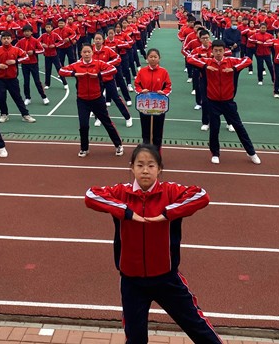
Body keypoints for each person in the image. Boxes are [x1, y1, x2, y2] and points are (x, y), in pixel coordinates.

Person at [84, 144, 221, 344]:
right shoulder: (121, 193)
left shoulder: (171, 191)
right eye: (140, 165)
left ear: (159, 169)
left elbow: (201, 195)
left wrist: (167, 213)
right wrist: (126, 212)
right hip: (132, 281)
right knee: (136, 338)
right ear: (132, 168)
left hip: (167, 278)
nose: (145, 170)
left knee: (198, 328)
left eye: (151, 165)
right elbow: (90, 195)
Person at [187, 39, 260, 165]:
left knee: (239, 127)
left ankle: (251, 152)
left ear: (224, 51)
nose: (218, 53)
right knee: (214, 129)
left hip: (228, 102)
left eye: (220, 51)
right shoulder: (207, 62)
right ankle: (215, 153)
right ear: (212, 51)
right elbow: (190, 58)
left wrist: (234, 69)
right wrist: (205, 66)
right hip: (212, 101)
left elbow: (248, 59)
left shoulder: (231, 61)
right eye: (215, 51)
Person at [59, 43, 124, 157]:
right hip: (82, 100)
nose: (87, 54)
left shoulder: (99, 63)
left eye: (89, 51)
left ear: (92, 53)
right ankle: (84, 148)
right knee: (83, 125)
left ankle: (118, 145)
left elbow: (113, 69)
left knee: (106, 122)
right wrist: (75, 73)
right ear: (81, 53)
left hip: (97, 99)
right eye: (84, 52)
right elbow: (61, 71)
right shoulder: (77, 65)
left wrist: (99, 75)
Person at [0, 31, 36, 124]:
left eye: (8, 38)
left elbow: (26, 57)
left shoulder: (16, 49)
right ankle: (4, 114)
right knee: (1, 97)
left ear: (11, 39)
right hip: (0, 79)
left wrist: (16, 61)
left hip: (12, 79)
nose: (6, 40)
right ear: (1, 39)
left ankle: (25, 115)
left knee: (17, 97)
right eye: (4, 38)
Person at [134, 48, 172, 149]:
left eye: (155, 57)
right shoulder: (142, 71)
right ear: (147, 58)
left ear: (159, 58)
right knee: (145, 130)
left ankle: (157, 153)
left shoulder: (163, 72)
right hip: (145, 104)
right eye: (151, 57)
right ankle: (146, 151)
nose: (153, 59)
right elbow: (136, 85)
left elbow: (169, 86)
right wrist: (141, 91)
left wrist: (163, 93)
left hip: (159, 105)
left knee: (157, 131)